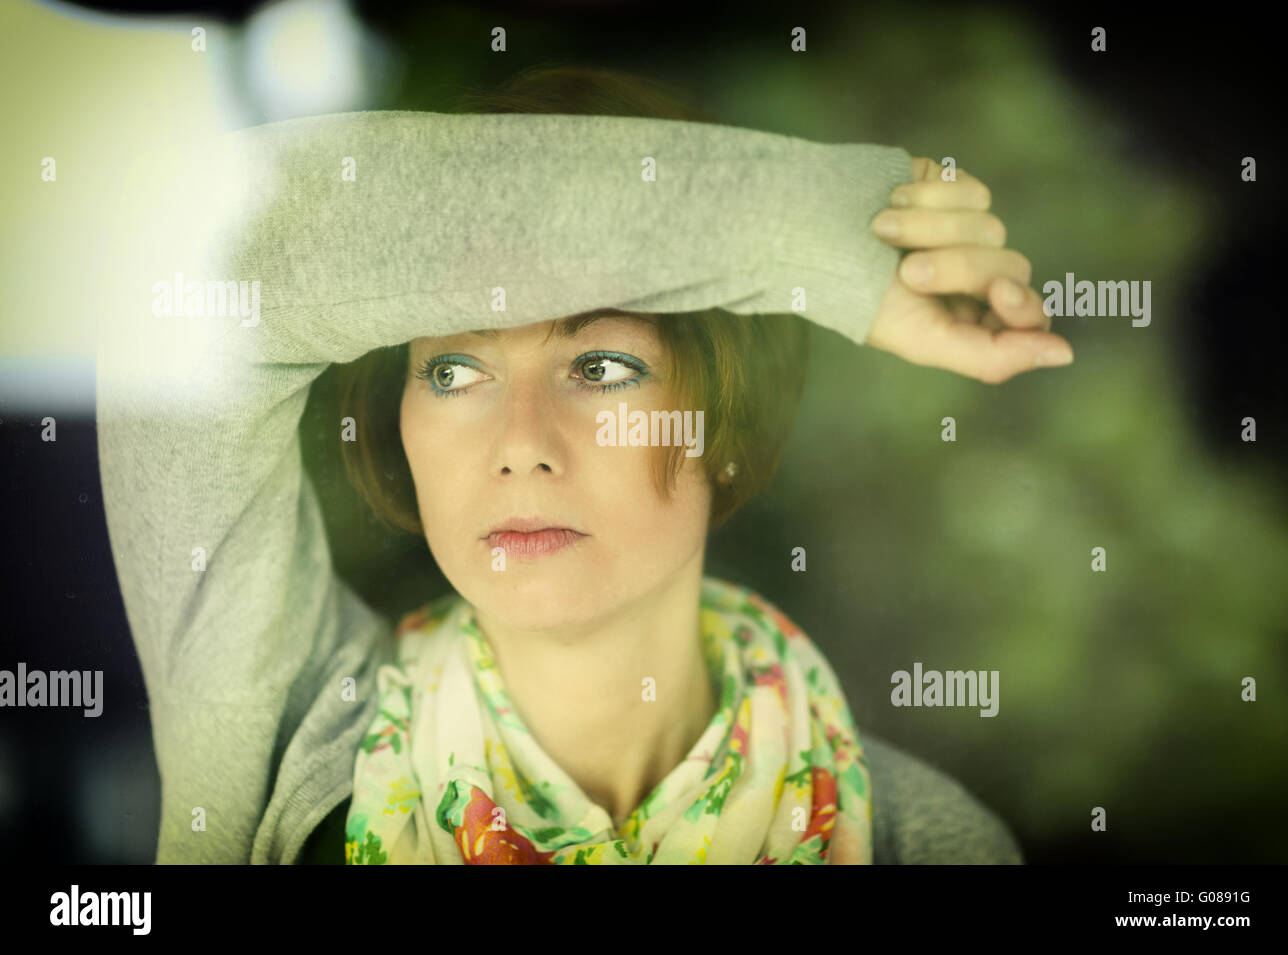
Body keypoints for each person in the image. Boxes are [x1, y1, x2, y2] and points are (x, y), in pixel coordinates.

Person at [97, 65, 1067, 865]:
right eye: (454, 369)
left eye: (600, 367)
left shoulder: (930, 843)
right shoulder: (288, 737)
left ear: (727, 417)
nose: (520, 444)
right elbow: (190, 264)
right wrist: (821, 229)